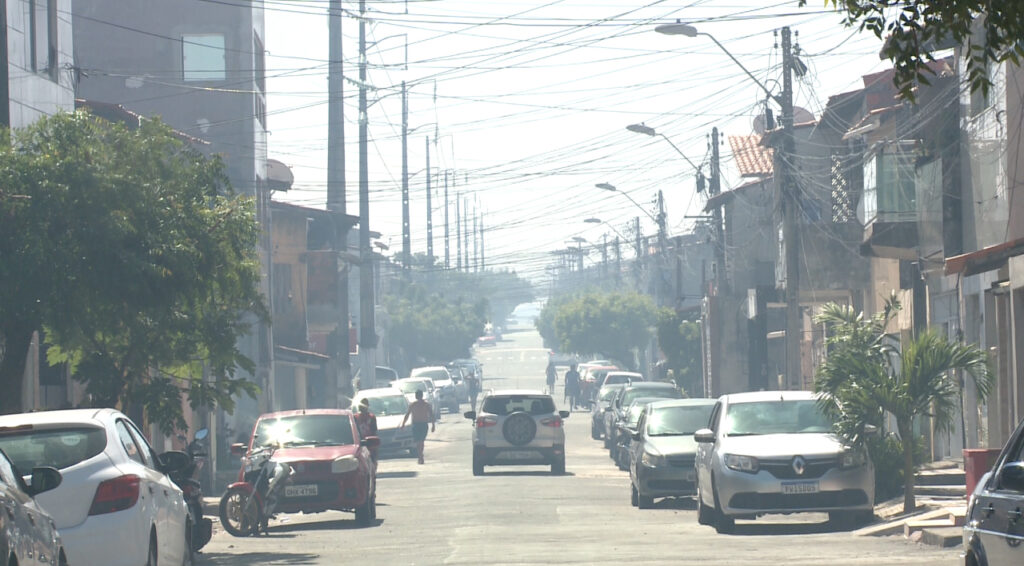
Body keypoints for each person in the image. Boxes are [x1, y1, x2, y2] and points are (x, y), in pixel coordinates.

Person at [400, 389, 435, 464]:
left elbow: (431, 415)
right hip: (420, 424)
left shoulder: (421, 405)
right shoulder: (417, 405)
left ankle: (420, 456)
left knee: (419, 441)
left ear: (417, 396)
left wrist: (403, 424)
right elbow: (431, 415)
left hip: (419, 424)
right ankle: (420, 455)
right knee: (420, 441)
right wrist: (433, 425)